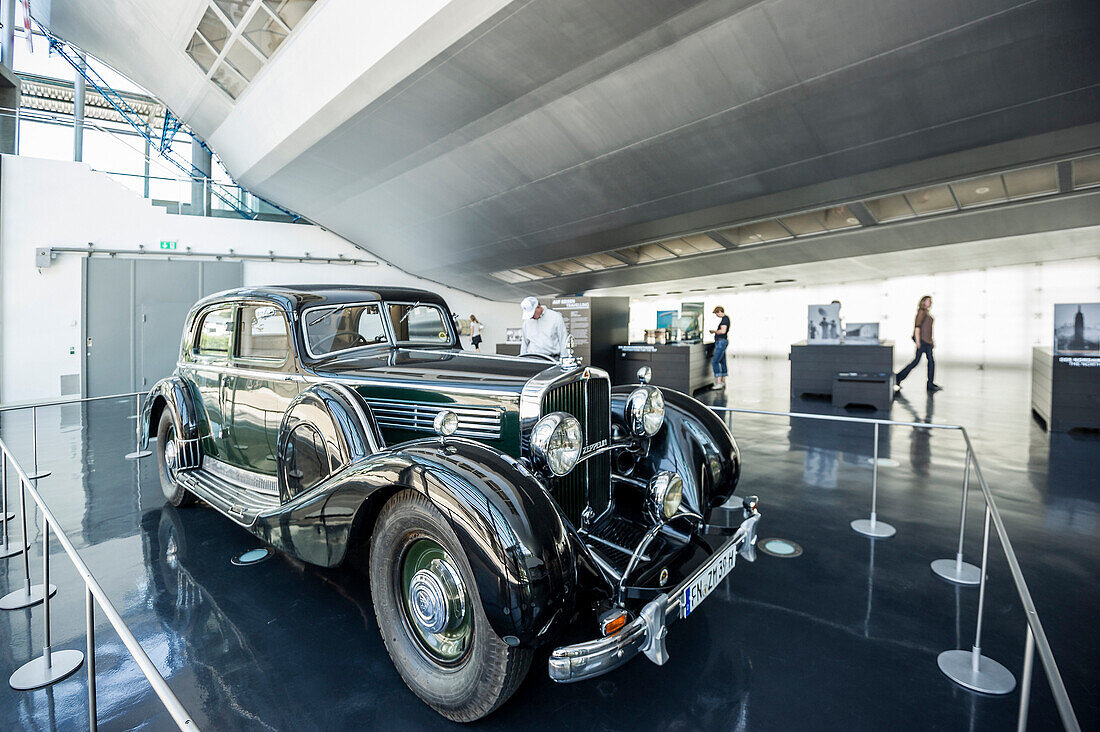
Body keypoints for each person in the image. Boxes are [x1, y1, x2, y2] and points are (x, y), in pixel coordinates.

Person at [896, 295, 942, 392]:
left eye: (931, 301)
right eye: (929, 301)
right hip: (922, 342)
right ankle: (898, 378)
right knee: (917, 362)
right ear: (923, 302)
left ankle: (930, 384)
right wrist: (918, 342)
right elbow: (917, 327)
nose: (930, 303)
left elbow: (928, 329)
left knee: (930, 362)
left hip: (927, 342)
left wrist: (931, 340)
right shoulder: (921, 312)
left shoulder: (926, 312)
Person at [709, 306, 730, 389]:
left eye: (716, 313)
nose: (716, 315)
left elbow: (723, 331)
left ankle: (718, 382)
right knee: (722, 361)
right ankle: (723, 381)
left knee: (715, 361)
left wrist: (714, 332)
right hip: (722, 341)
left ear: (720, 311)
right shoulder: (725, 319)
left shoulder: (725, 319)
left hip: (721, 342)